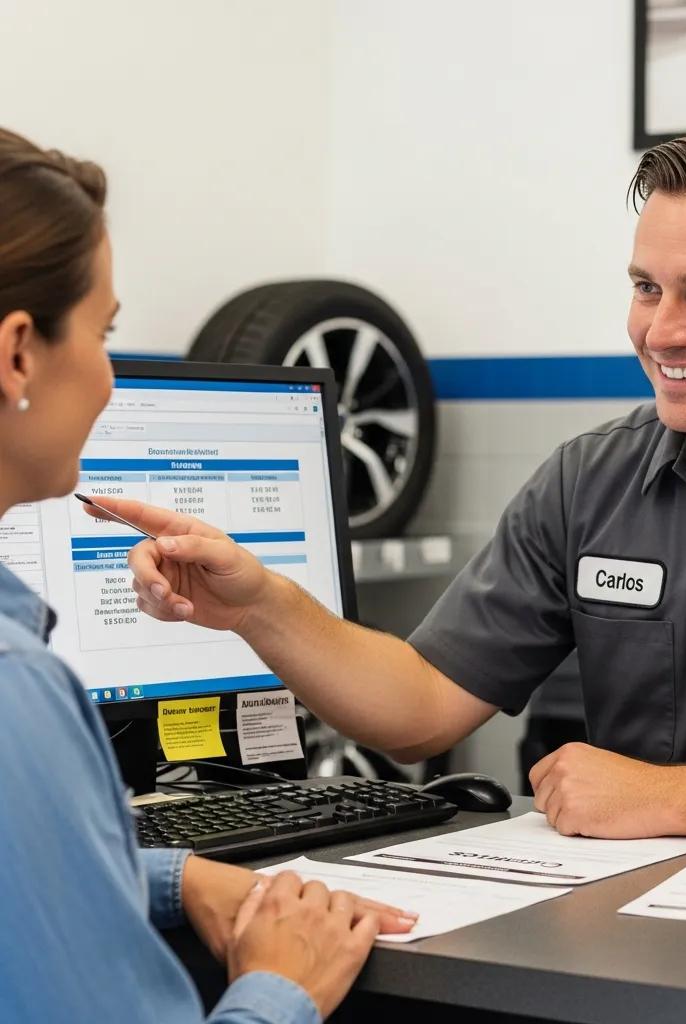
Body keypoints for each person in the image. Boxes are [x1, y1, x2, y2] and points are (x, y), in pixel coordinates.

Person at [101, 126, 686, 850]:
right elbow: (422, 705)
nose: (662, 331)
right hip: (625, 934)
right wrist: (260, 604)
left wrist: (670, 796)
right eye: (645, 287)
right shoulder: (590, 479)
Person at [0, 126, 418, 1024]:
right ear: (18, 354)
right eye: (104, 334)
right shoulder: (13, 693)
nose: (110, 378)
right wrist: (281, 987)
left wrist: (171, 874)